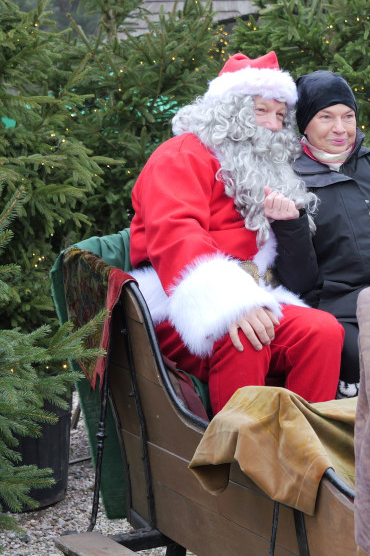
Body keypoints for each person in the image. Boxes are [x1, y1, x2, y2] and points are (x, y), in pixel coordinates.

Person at [128, 52, 343, 414]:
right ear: (230, 108)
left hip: (257, 293)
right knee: (244, 335)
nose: (273, 126)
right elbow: (176, 231)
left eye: (279, 115)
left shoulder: (259, 166)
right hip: (183, 302)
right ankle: (237, 460)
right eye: (261, 111)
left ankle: (305, 452)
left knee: (323, 331)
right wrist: (229, 305)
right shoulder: (181, 154)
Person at [274, 70, 370, 398]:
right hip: (332, 306)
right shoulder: (288, 179)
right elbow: (299, 281)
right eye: (326, 117)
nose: (340, 128)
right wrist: (291, 226)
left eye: (348, 116)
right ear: (304, 122)